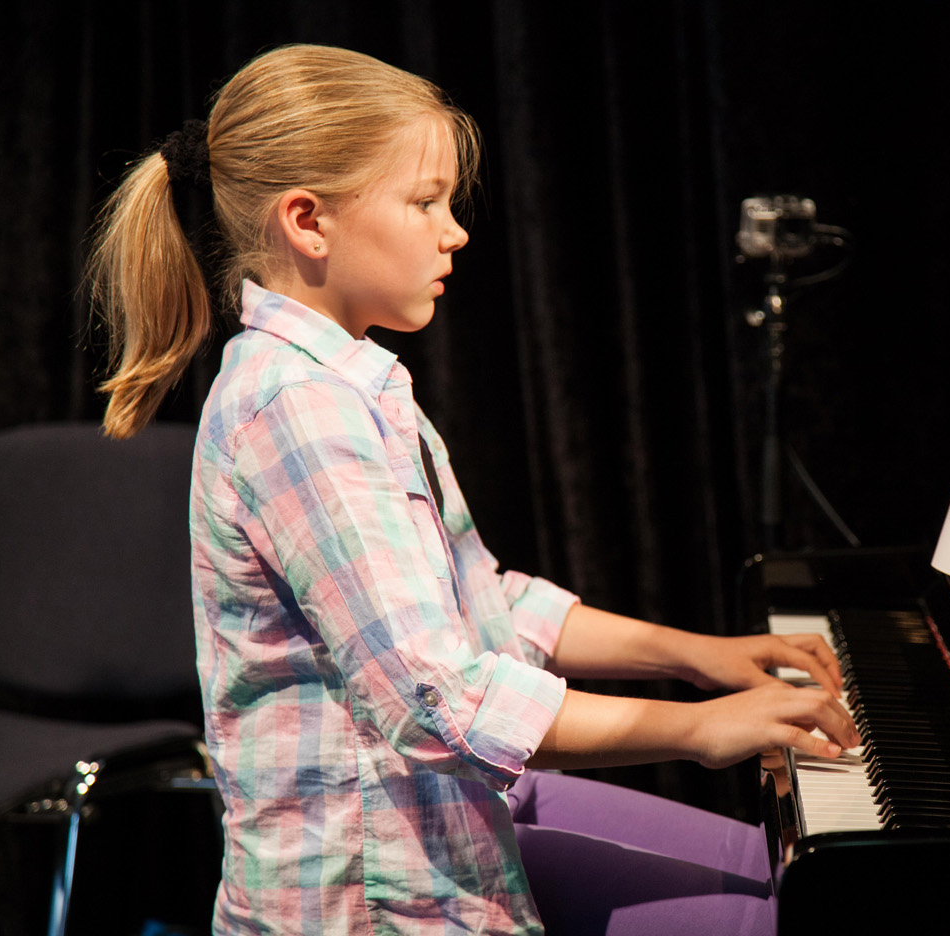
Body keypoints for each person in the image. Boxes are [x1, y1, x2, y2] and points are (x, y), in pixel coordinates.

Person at [86, 44, 858, 936]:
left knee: (773, 875)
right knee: (786, 917)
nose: (453, 232)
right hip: (373, 896)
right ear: (308, 221)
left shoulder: (354, 384)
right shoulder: (298, 409)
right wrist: (701, 729)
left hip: (450, 819)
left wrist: (698, 657)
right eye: (424, 202)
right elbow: (439, 703)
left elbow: (483, 602)